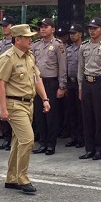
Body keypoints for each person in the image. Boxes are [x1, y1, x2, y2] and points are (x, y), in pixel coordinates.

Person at [0, 24, 52, 194]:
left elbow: (37, 79)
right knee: (28, 140)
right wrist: (3, 109)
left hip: (29, 103)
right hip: (15, 104)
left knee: (17, 141)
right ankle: (23, 178)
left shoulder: (29, 56)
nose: (31, 40)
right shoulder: (8, 57)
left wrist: (45, 98)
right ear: (17, 39)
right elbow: (0, 84)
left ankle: (11, 177)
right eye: (27, 37)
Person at [77, 18, 101, 160]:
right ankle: (89, 149)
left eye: (95, 28)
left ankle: (99, 149)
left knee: (100, 118)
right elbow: (80, 68)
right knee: (87, 117)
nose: (92, 31)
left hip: (100, 83)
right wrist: (80, 87)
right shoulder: (84, 46)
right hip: (87, 83)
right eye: (90, 28)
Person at [30, 18, 67, 155]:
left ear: (53, 29)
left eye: (46, 26)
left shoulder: (58, 45)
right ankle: (43, 142)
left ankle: (51, 144)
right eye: (41, 27)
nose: (43, 29)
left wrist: (62, 86)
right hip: (37, 82)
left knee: (51, 115)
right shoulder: (35, 45)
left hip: (51, 83)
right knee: (39, 115)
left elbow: (63, 67)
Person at [0, 17, 15, 150]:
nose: (4, 28)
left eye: (6, 26)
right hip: (1, 81)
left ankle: (13, 139)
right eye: (3, 26)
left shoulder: (17, 42)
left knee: (13, 110)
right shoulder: (0, 44)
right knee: (2, 109)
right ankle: (6, 137)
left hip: (12, 81)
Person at [63, 24, 85, 148]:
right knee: (71, 111)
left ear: (80, 34)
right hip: (70, 82)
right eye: (70, 33)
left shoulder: (84, 47)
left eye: (74, 33)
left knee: (81, 111)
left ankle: (82, 137)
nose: (72, 35)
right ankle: (74, 137)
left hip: (80, 83)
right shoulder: (68, 49)